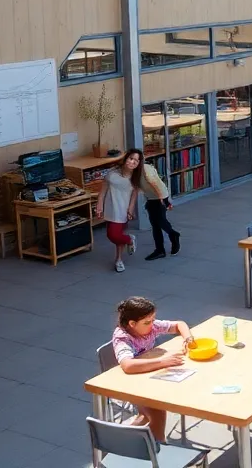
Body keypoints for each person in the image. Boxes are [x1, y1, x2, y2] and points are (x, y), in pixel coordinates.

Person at [110, 296, 194, 442]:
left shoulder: (151, 325)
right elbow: (128, 365)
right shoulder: (123, 338)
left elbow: (180, 324)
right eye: (147, 322)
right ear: (132, 324)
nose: (152, 324)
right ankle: (159, 449)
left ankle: (123, 439)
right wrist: (163, 361)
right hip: (130, 384)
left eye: (153, 319)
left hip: (150, 375)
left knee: (148, 413)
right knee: (157, 409)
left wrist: (188, 338)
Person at [97, 149, 140, 272]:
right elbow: (103, 190)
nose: (132, 162)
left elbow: (134, 195)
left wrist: (131, 209)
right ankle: (126, 245)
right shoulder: (112, 173)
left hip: (122, 209)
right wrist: (99, 205)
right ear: (126, 158)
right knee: (113, 236)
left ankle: (120, 257)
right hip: (110, 208)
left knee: (114, 235)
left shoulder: (135, 177)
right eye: (131, 158)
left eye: (136, 161)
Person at [136, 149, 181, 261]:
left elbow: (155, 183)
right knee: (155, 224)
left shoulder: (146, 169)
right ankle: (160, 250)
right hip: (152, 198)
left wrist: (163, 200)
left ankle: (173, 235)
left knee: (160, 221)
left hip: (159, 197)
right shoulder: (135, 172)